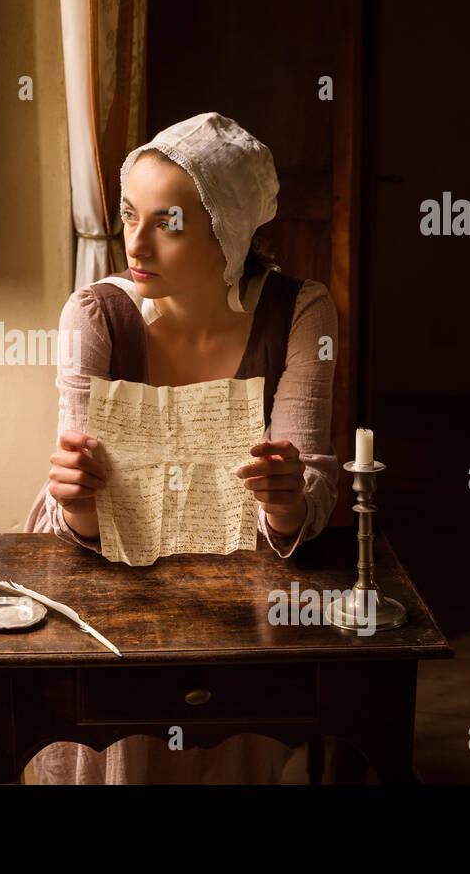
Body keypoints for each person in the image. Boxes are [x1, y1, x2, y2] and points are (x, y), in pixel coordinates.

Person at [22, 112, 340, 784]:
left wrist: (285, 499)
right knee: (124, 733)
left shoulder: (301, 313)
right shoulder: (95, 315)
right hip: (108, 565)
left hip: (242, 572)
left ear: (228, 231)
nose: (134, 242)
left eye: (166, 223)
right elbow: (88, 514)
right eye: (129, 213)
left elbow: (304, 494)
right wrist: (76, 499)